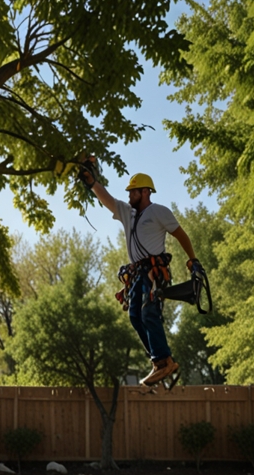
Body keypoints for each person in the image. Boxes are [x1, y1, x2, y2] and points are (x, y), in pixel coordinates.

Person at [80, 159, 198, 386]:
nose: (129, 195)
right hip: (137, 274)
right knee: (135, 316)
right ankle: (160, 362)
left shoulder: (159, 211)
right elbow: (107, 199)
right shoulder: (127, 213)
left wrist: (192, 260)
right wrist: (92, 182)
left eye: (132, 192)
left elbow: (181, 235)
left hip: (154, 272)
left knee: (148, 313)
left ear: (145, 192)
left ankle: (164, 360)